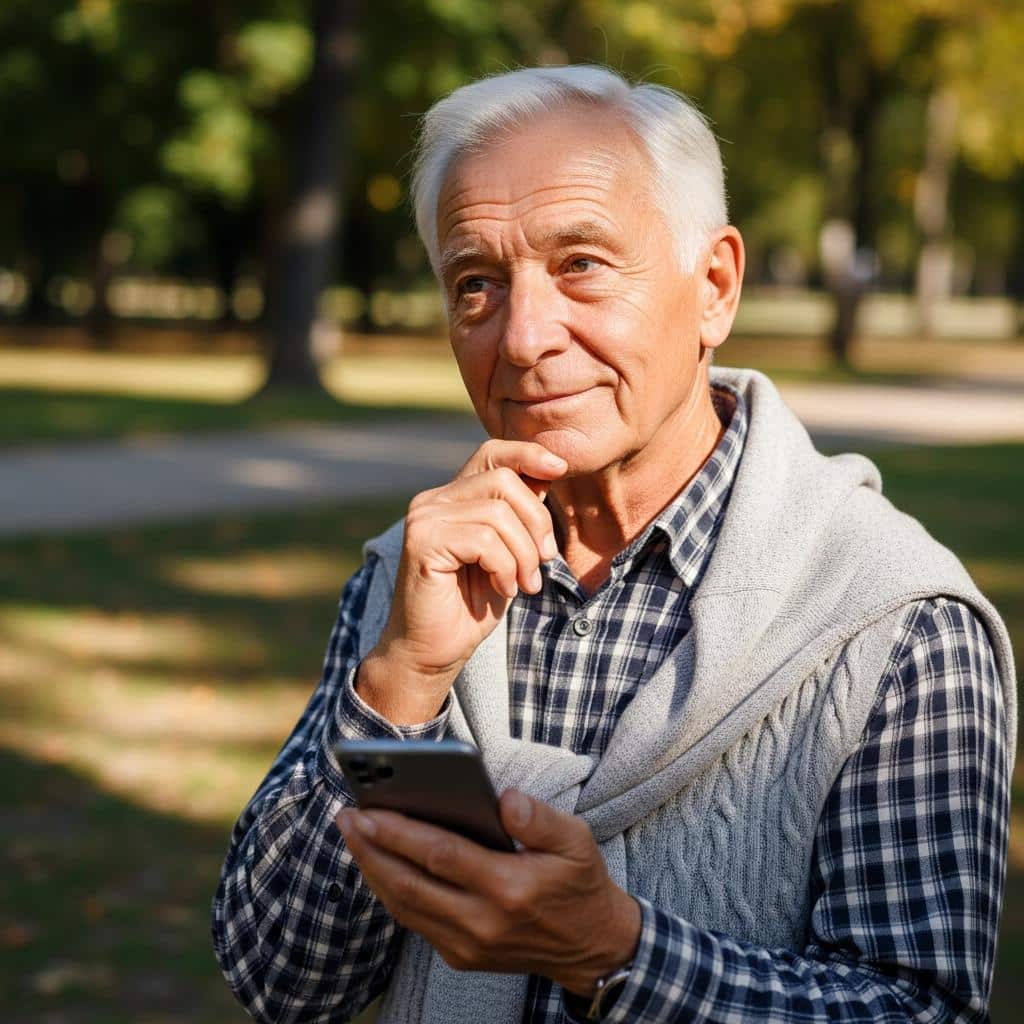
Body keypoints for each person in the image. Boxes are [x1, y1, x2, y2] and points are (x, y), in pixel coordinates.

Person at [212, 66, 1016, 1023]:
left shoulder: (897, 625)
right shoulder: (411, 576)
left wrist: (615, 956)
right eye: (476, 282)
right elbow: (281, 983)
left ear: (713, 287)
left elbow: (920, 1010)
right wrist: (397, 683)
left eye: (581, 265)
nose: (522, 338)